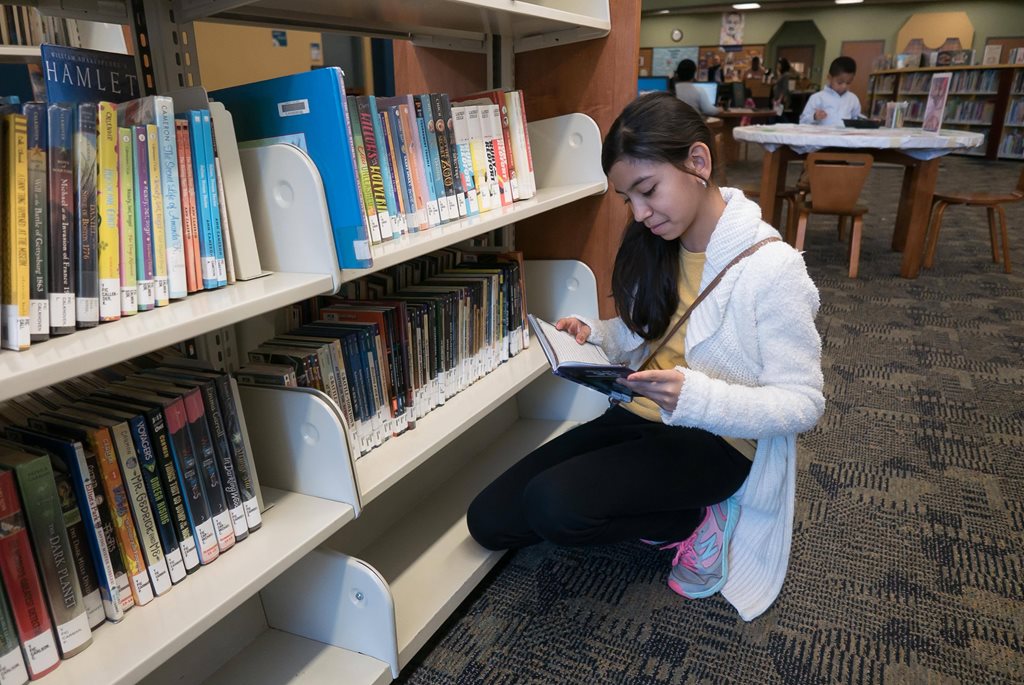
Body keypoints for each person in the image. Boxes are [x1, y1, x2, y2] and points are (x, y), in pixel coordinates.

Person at [466, 92, 825, 620]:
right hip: (637, 411)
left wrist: (696, 396)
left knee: (553, 507)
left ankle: (688, 519)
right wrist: (598, 335)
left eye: (648, 190)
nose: (639, 213)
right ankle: (661, 506)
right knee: (489, 521)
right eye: (626, 199)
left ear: (697, 163)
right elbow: (649, 331)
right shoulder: (660, 242)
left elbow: (803, 403)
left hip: (714, 441)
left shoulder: (773, 270)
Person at [799, 56, 862, 126]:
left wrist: (867, 121)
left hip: (844, 136)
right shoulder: (818, 98)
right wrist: (814, 116)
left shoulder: (853, 99)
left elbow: (857, 118)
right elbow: (802, 121)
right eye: (839, 82)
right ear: (829, 78)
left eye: (848, 83)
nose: (844, 86)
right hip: (823, 136)